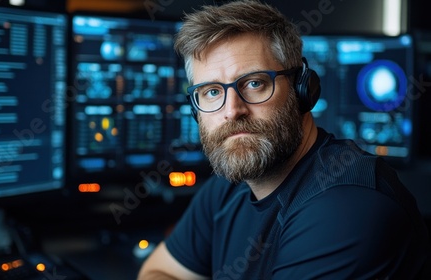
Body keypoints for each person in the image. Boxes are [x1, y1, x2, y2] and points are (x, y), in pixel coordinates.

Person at [138, 0, 431, 279]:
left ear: (303, 90)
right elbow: (157, 271)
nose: (232, 111)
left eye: (254, 84)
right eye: (212, 92)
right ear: (195, 109)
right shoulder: (227, 189)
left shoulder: (350, 205)